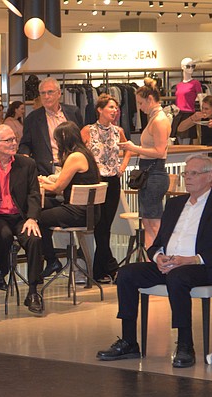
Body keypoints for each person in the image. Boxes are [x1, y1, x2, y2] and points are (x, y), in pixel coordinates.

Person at [96, 154, 212, 368]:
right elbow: (158, 242)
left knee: (178, 277)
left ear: (210, 176)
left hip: (202, 267)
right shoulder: (174, 204)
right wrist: (158, 257)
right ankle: (128, 341)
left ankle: (184, 344)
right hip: (169, 264)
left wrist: (192, 259)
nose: (187, 178)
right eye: (186, 173)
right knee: (126, 273)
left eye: (193, 173)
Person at [0, 124, 44, 314]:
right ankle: (0, 271)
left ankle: (33, 291)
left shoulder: (27, 164)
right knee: (3, 235)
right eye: (9, 140)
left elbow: (34, 194)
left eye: (15, 139)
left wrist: (32, 218)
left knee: (35, 239)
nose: (14, 143)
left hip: (20, 216)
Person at [37, 121, 101, 279]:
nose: (57, 143)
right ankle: (52, 257)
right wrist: (47, 183)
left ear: (64, 137)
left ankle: (51, 259)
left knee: (37, 218)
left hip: (79, 211)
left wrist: (39, 184)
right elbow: (63, 183)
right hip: (89, 210)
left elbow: (58, 188)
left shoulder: (75, 157)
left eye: (57, 139)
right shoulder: (84, 153)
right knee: (41, 207)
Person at [81, 94, 132, 283]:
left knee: (105, 227)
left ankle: (100, 272)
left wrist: (122, 167)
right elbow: (79, 151)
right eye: (111, 107)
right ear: (100, 110)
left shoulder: (118, 131)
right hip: (95, 181)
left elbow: (128, 148)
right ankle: (111, 267)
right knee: (98, 225)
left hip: (112, 181)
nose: (115, 110)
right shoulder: (88, 130)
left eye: (116, 107)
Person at [119, 82, 171, 249]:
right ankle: (152, 258)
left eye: (141, 103)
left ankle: (157, 259)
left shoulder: (160, 120)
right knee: (147, 221)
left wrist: (134, 148)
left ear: (150, 99)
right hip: (149, 173)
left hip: (155, 173)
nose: (140, 108)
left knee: (154, 222)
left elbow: (159, 151)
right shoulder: (155, 119)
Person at [18, 77, 84, 176]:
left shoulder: (73, 112)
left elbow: (80, 139)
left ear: (58, 94)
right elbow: (25, 143)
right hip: (47, 170)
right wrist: (24, 155)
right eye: (43, 93)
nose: (46, 96)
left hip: (73, 167)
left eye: (50, 92)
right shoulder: (32, 118)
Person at [176, 94, 212, 169]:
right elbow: (180, 128)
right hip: (204, 151)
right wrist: (193, 118)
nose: (203, 111)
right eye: (202, 108)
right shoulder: (201, 117)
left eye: (206, 109)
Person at [172, 58, 203, 143]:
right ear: (182, 67)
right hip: (178, 114)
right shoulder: (179, 85)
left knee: (187, 141)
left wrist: (203, 112)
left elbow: (201, 99)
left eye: (193, 66)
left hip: (189, 114)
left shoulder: (195, 83)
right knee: (176, 140)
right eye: (188, 66)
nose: (191, 69)